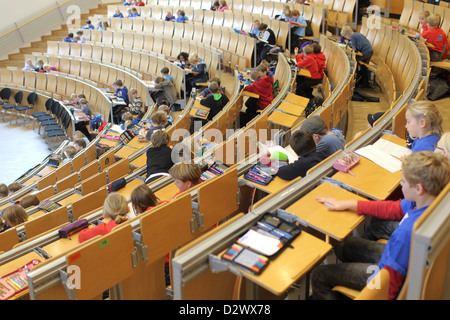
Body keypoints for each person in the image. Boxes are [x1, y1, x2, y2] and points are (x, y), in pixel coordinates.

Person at [312, 151, 450, 300]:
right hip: (392, 260)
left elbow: (388, 285)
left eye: (403, 181)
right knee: (346, 245)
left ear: (418, 188)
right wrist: (350, 204)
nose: (401, 185)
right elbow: (393, 209)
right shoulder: (427, 200)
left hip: (383, 275)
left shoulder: (407, 233)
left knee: (319, 275)